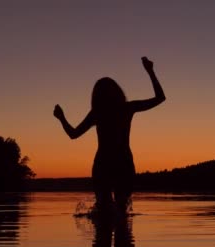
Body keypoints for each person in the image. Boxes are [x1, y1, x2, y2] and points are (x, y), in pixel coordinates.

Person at [54, 57, 165, 213]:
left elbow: (73, 134)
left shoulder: (99, 112)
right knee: (120, 212)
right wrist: (150, 71)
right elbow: (160, 98)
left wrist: (61, 118)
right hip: (121, 162)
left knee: (104, 213)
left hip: (105, 163)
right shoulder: (125, 108)